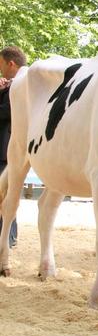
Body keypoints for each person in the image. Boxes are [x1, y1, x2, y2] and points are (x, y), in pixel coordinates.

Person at [0, 46, 26, 249]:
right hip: (6, 147)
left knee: (7, 195)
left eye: (1, 64)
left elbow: (5, 113)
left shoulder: (22, 85)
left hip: (7, 148)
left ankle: (9, 237)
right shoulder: (11, 86)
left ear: (10, 63)